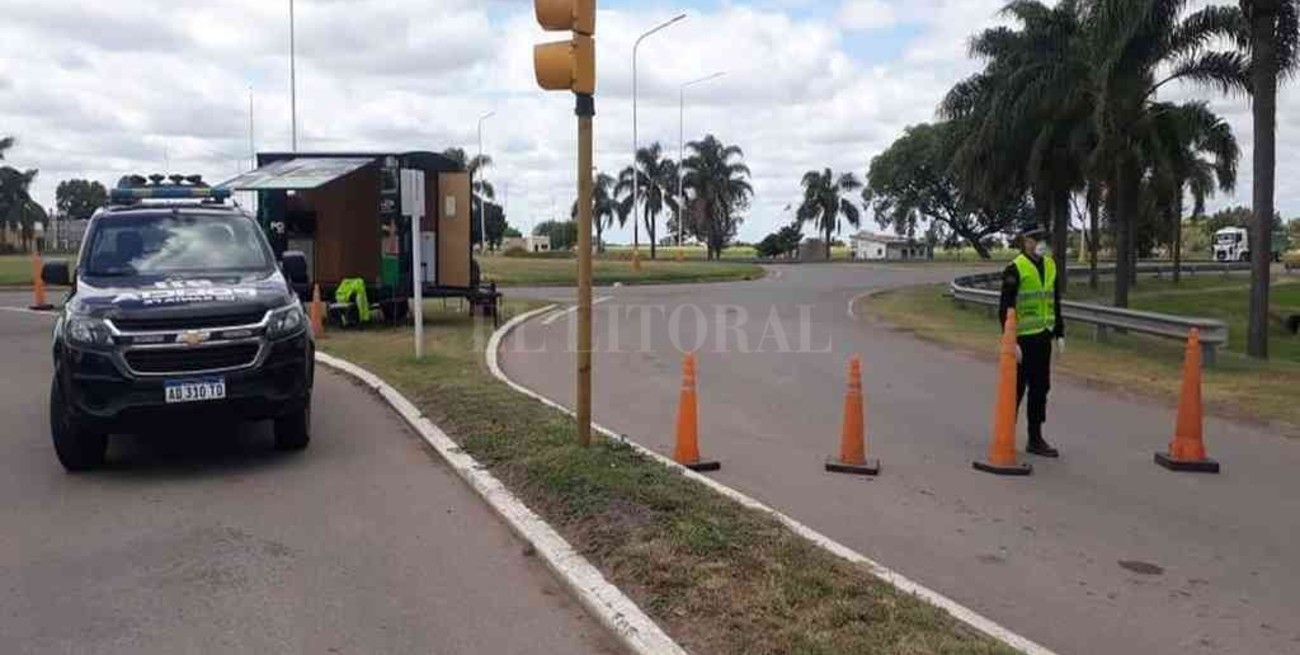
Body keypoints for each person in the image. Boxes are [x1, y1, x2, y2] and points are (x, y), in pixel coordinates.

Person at [999, 224, 1064, 458]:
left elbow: (1054, 301)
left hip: (1043, 338)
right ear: (1024, 241)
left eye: (1042, 239)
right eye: (1035, 239)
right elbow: (1005, 307)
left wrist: (1059, 333)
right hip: (1022, 342)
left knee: (1040, 389)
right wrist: (1010, 341)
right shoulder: (1015, 269)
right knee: (1015, 391)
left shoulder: (1050, 265)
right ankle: (1005, 435)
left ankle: (1035, 438)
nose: (1039, 243)